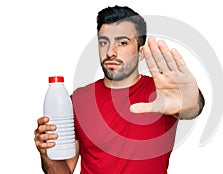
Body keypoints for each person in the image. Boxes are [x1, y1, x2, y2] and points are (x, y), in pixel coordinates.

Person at [34, 5, 204, 174]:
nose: (110, 52)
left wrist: (191, 102)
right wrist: (47, 154)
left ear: (141, 51)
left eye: (122, 43)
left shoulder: (162, 91)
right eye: (103, 42)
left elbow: (191, 108)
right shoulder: (79, 100)